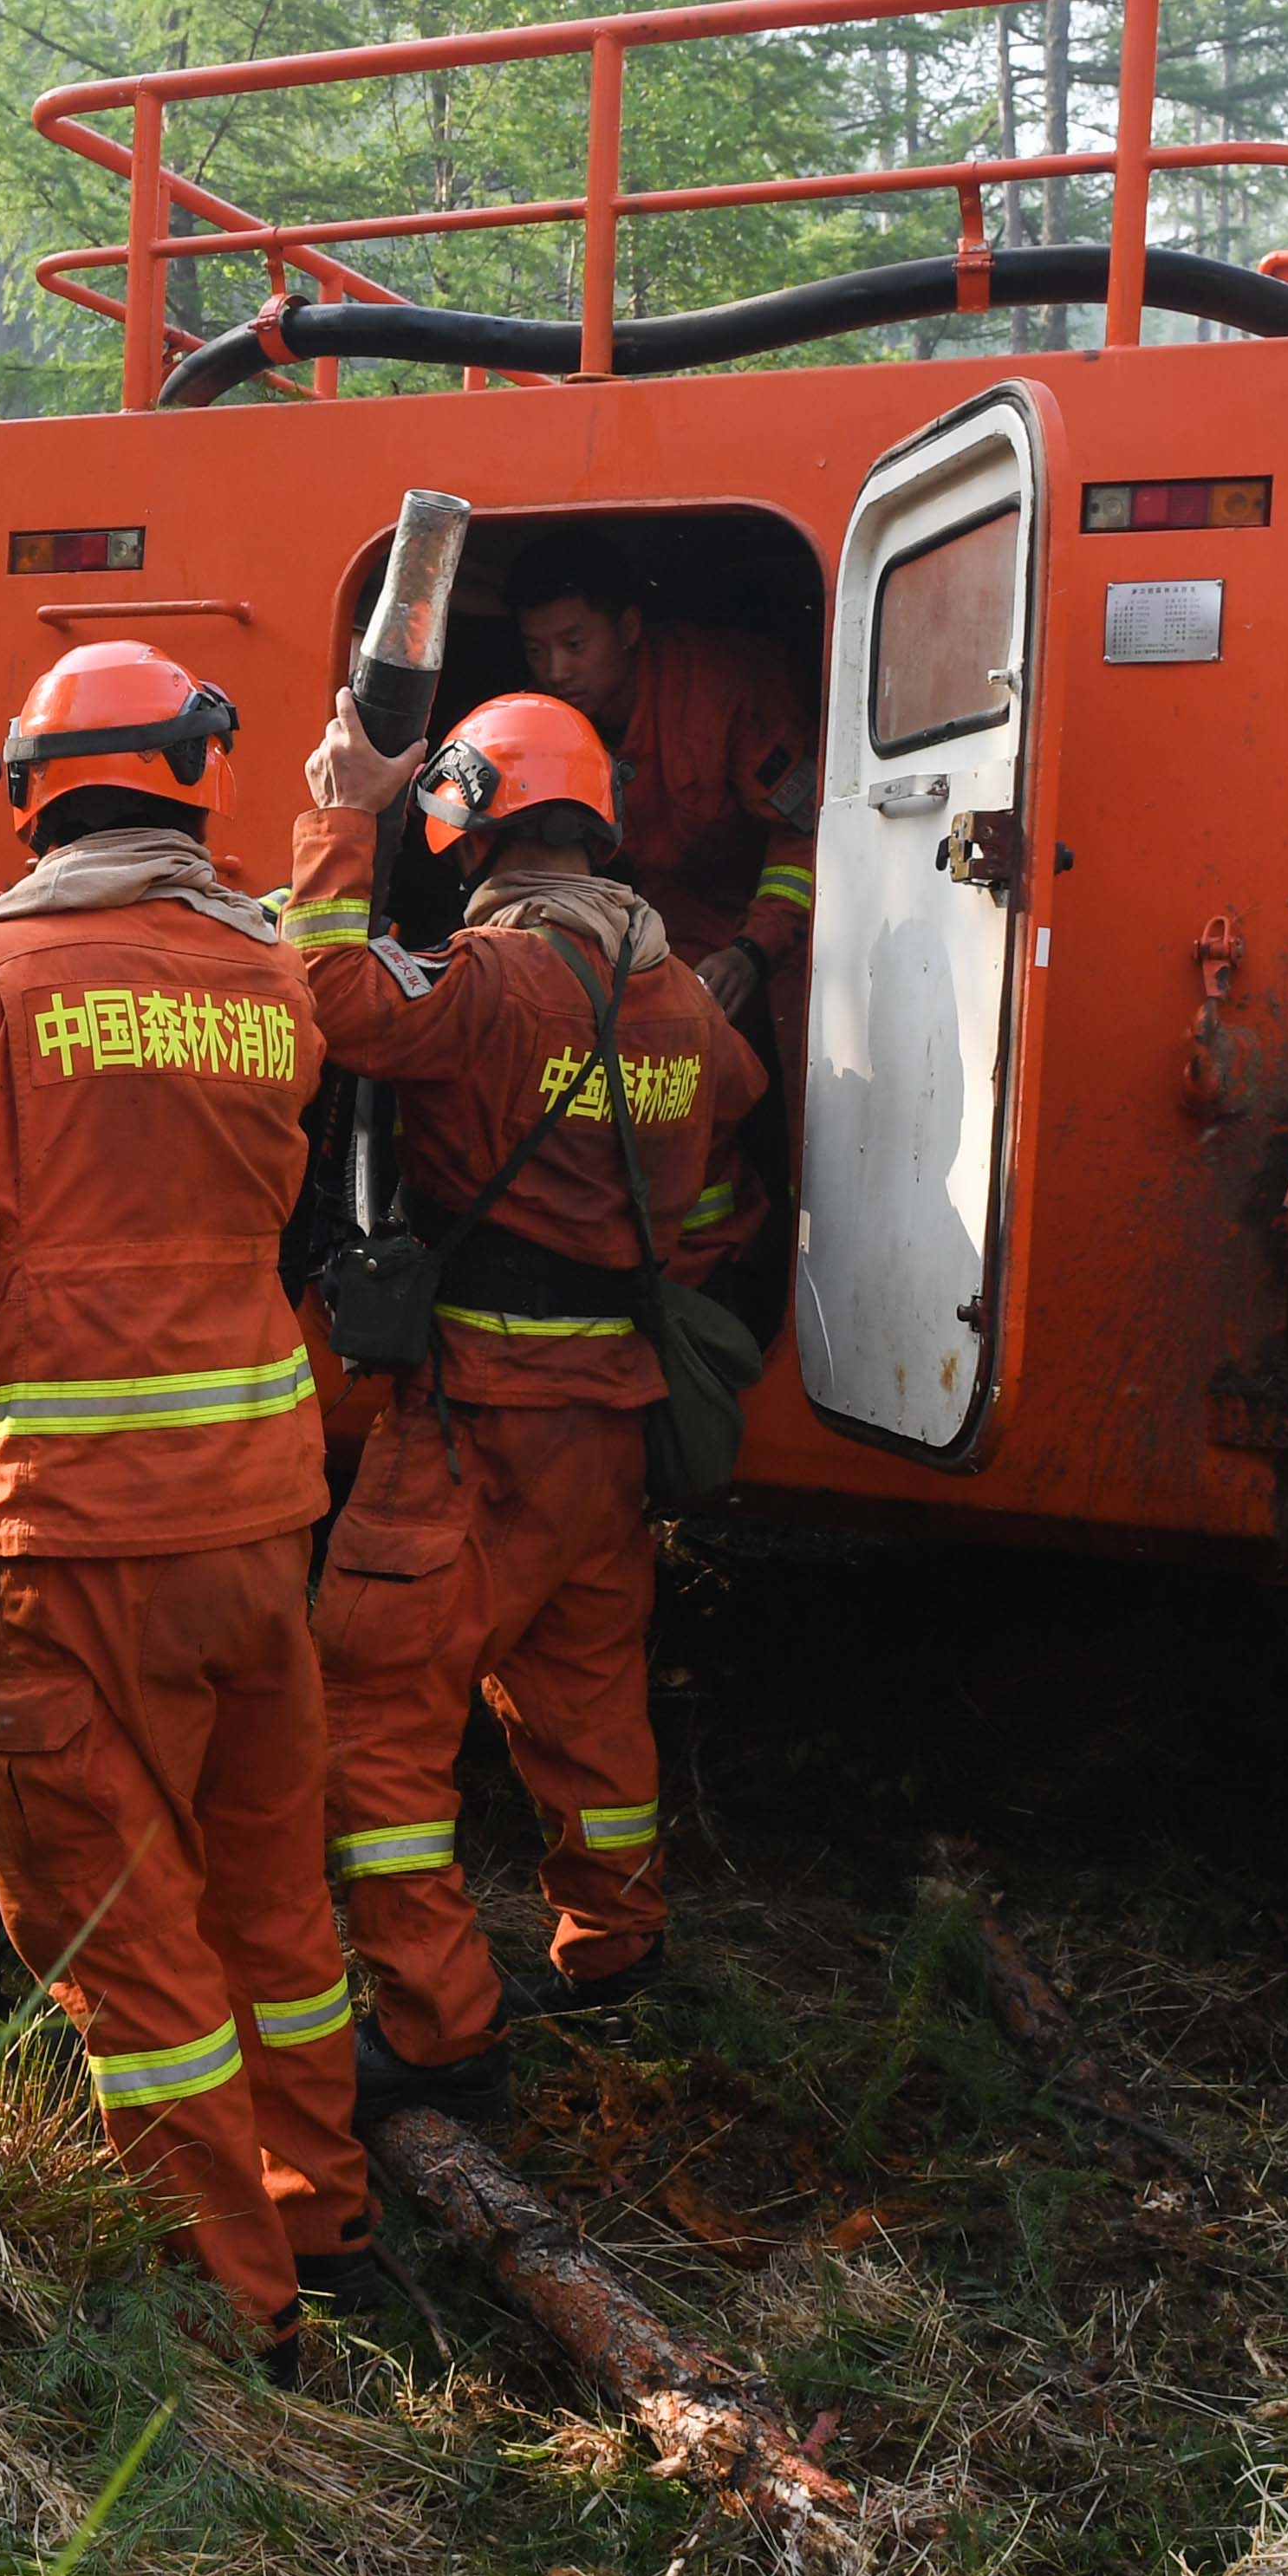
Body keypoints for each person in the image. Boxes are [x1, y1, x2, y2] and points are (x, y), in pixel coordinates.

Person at [0, 641, 366, 2354]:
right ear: (194, 779)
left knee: (115, 1912)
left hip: (74, 1525)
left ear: (29, 787)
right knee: (269, 1876)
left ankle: (219, 2288)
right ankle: (317, 2204)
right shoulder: (270, 978)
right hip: (263, 1506)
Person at [287, 686, 763, 2117]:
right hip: (607, 1419)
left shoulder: (491, 978)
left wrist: (336, 813)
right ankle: (611, 1949)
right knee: (581, 1696)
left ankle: (437, 2026)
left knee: (369, 1718)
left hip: (476, 1419)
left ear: (467, 821)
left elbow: (327, 1000)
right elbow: (732, 1092)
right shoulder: (672, 988)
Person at [508, 543, 815, 1038]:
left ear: (627, 630)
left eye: (575, 645)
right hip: (673, 910)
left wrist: (753, 951)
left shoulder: (723, 694)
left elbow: (807, 832)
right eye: (536, 651)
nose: (556, 672)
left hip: (792, 907)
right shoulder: (542, 721)